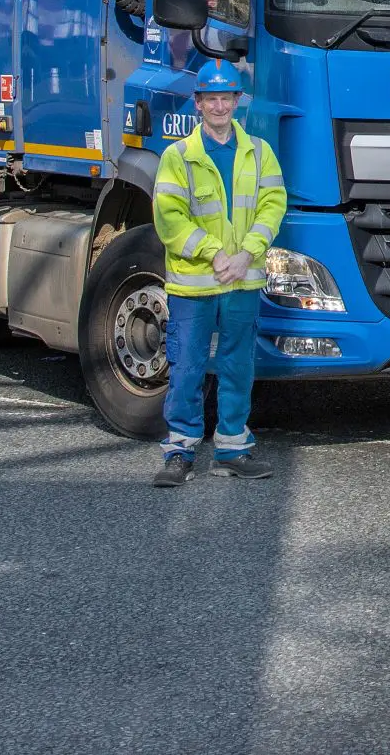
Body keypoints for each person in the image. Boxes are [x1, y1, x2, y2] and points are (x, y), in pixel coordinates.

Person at [151, 59, 287, 485]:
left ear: (236, 102)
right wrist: (214, 255)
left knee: (236, 367)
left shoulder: (259, 152)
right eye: (211, 98)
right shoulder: (178, 157)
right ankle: (180, 451)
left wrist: (246, 254)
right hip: (195, 282)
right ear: (198, 103)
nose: (219, 105)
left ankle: (232, 447)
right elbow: (168, 217)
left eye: (226, 98)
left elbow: (273, 206)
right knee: (187, 367)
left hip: (242, 279)